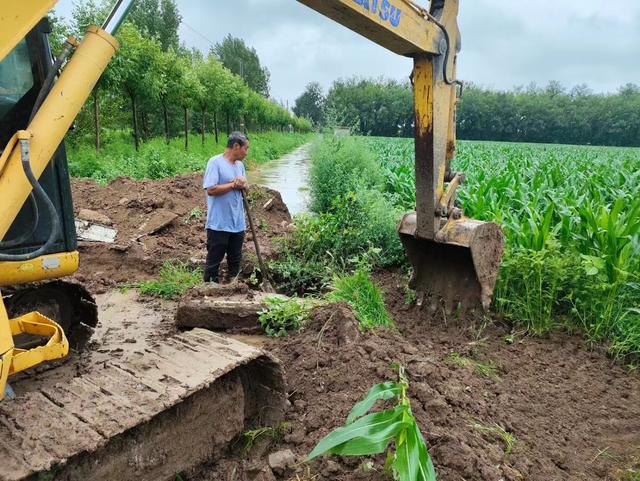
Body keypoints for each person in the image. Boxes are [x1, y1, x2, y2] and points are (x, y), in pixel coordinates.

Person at [202, 131, 249, 283]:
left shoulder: (240, 165)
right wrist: (233, 184)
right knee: (214, 259)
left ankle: (234, 287)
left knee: (235, 259)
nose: (246, 153)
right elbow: (211, 189)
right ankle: (208, 291)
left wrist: (243, 184)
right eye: (245, 148)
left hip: (237, 223)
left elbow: (245, 188)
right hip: (219, 223)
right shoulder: (215, 162)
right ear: (236, 146)